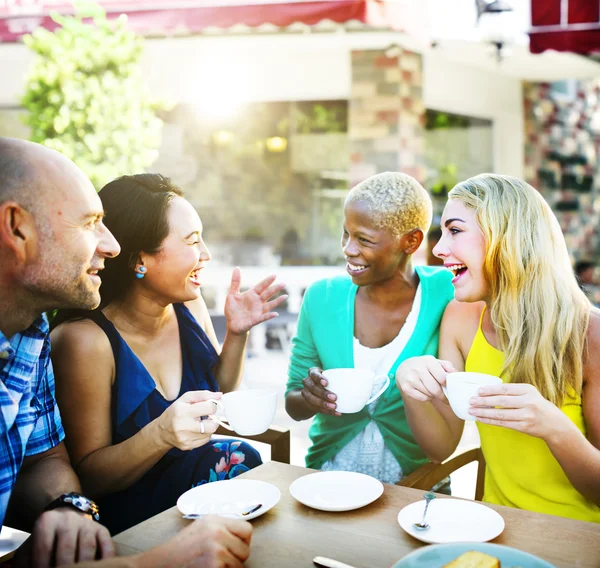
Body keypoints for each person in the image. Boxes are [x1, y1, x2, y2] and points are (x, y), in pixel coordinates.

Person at [0, 137, 254, 568]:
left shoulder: (32, 334)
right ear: (16, 227)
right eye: (89, 223)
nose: (109, 245)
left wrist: (69, 506)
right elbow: (88, 471)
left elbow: (45, 459)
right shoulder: (80, 339)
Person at [50, 174, 286, 535]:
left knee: (247, 462)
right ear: (139, 259)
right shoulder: (85, 341)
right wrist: (160, 435)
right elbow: (89, 476)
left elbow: (218, 388)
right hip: (129, 518)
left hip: (197, 497)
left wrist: (237, 334)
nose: (205, 254)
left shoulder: (189, 306)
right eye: (192, 241)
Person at [396, 173, 600, 522]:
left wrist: (554, 427)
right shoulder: (460, 318)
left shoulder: (589, 334)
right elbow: (440, 447)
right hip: (494, 525)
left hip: (577, 538)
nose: (438, 248)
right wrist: (410, 386)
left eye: (455, 230)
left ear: (508, 238)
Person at [285, 172, 454, 484]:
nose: (348, 249)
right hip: (329, 480)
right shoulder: (322, 297)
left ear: (411, 241)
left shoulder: (448, 293)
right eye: (346, 234)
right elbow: (292, 404)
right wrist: (309, 398)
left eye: (364, 239)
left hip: (418, 485)